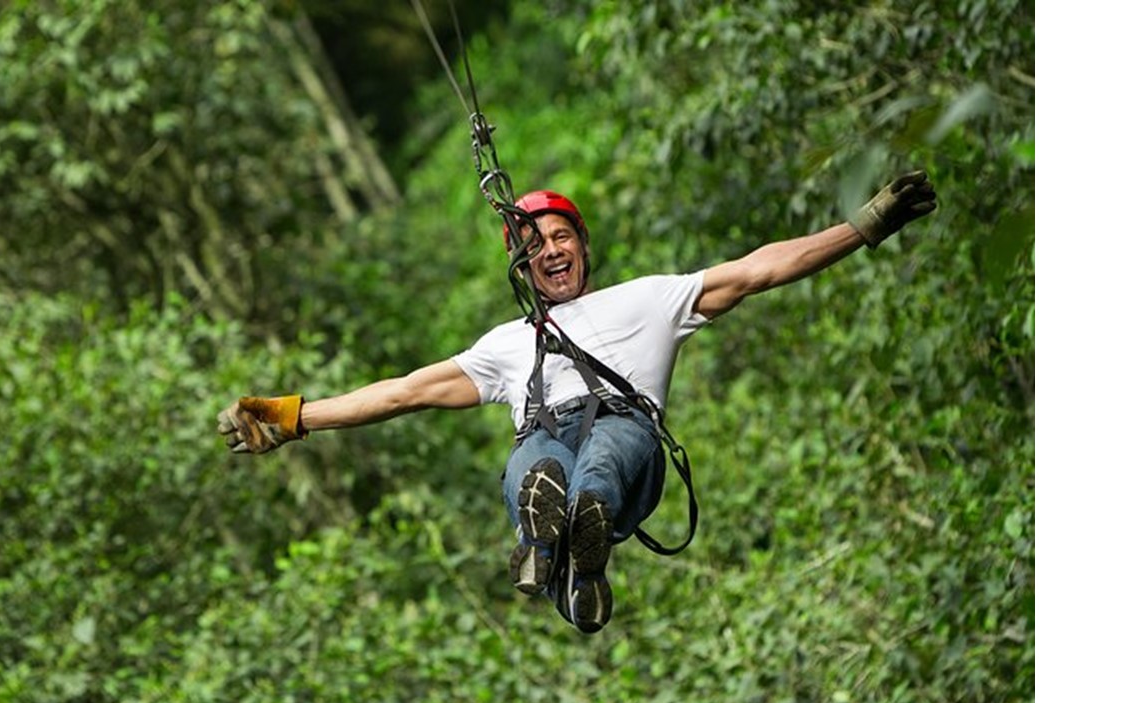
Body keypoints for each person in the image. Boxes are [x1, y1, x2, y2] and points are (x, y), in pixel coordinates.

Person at [217, 171, 937, 633]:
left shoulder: (650, 300)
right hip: (545, 437)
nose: (552, 252)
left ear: (583, 247)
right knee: (539, 460)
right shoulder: (506, 343)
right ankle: (553, 541)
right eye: (536, 247)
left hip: (629, 439)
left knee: (605, 458)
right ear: (522, 268)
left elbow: (759, 270)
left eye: (562, 237)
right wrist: (293, 418)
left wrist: (863, 227)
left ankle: (574, 533)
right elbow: (404, 392)